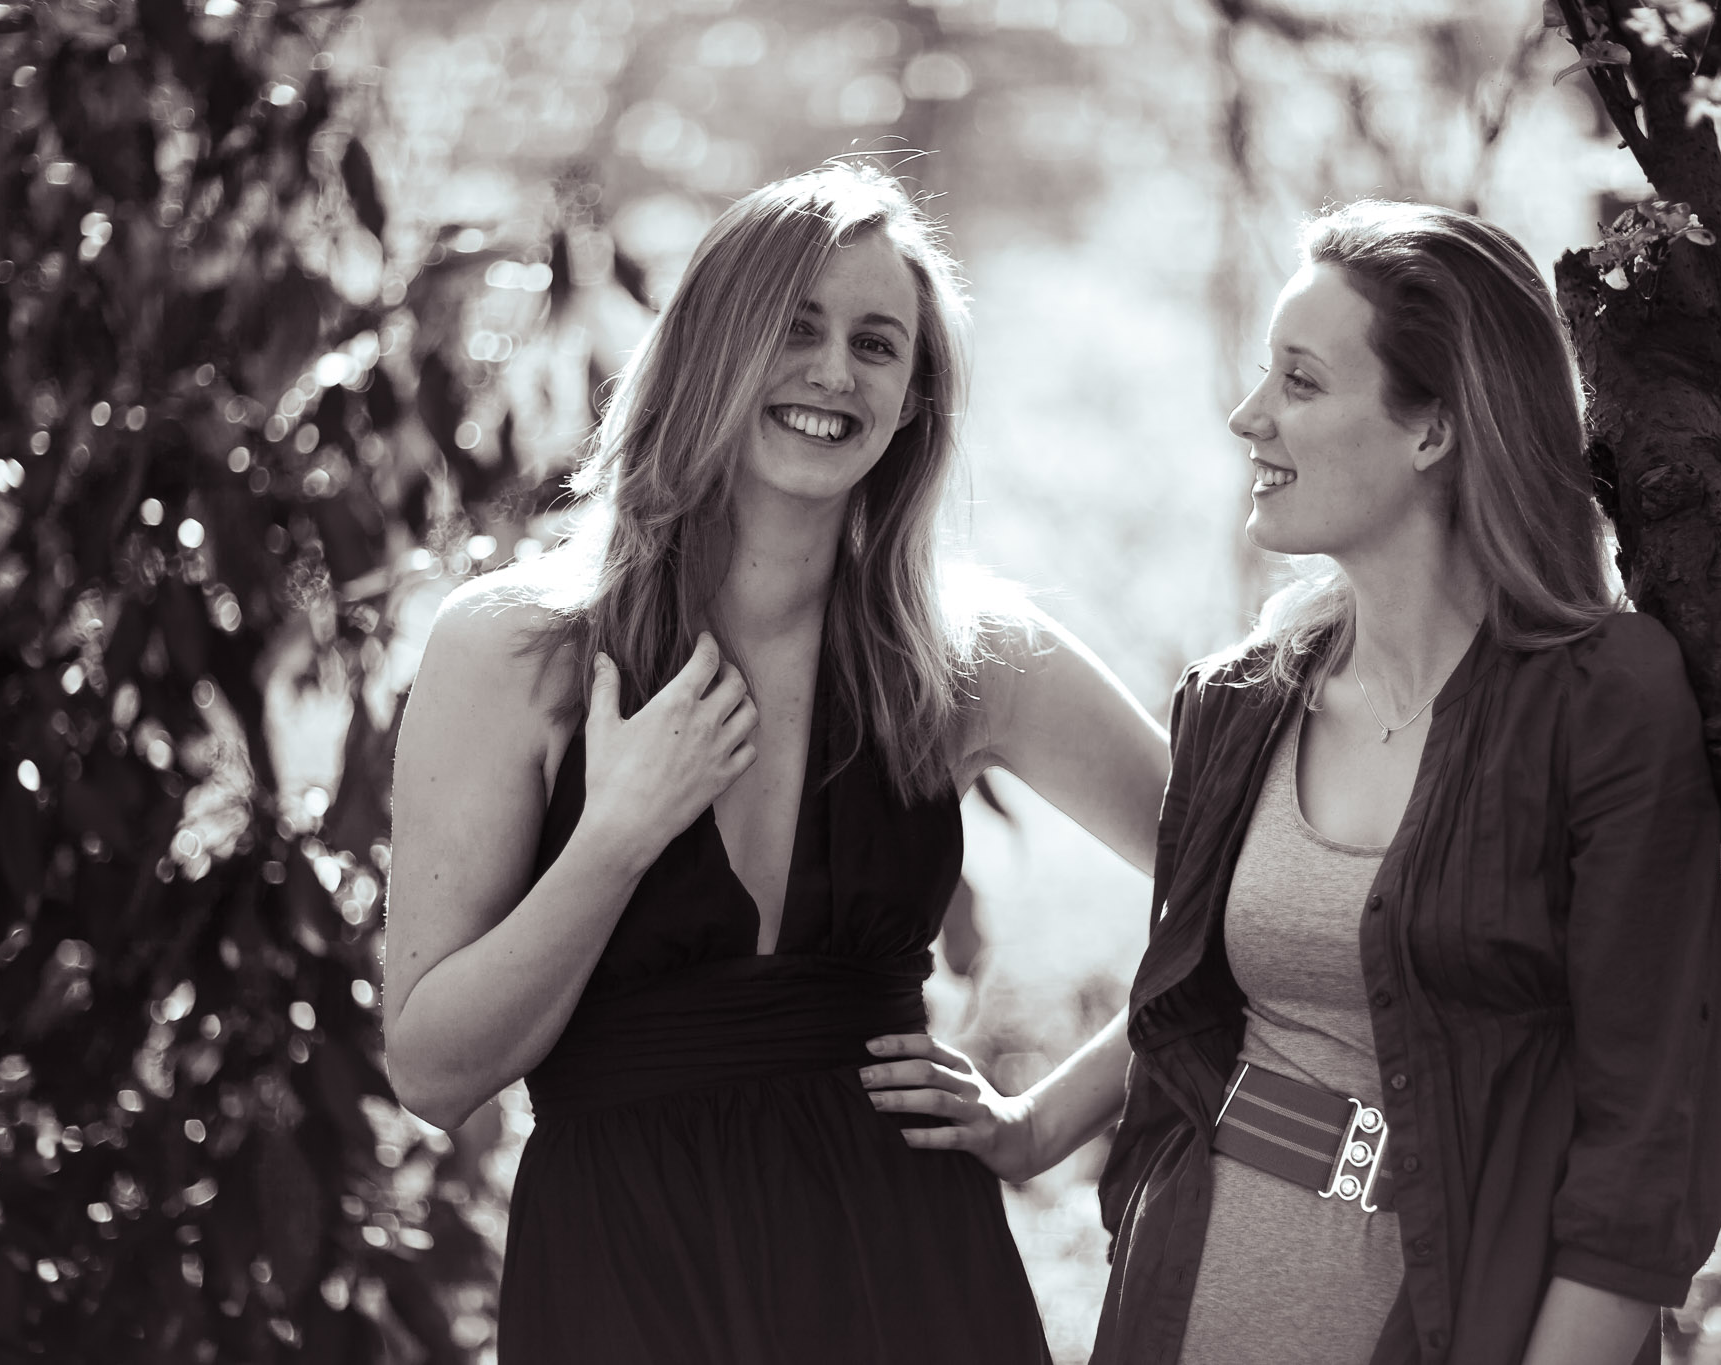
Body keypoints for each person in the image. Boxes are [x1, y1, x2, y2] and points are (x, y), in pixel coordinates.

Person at [866, 200, 1721, 1365]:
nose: (1246, 415)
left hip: (1455, 1313)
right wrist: (1031, 1129)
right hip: (1181, 1300)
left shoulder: (1603, 703)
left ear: (1432, 427)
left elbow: (1646, 1139)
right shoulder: (1236, 700)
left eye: (1300, 381)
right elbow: (1188, 992)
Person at [380, 164, 1170, 1365]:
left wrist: (1037, 1126)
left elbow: (1245, 891)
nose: (833, 372)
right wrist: (617, 835)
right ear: (709, 346)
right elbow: (434, 1071)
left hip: (907, 1271)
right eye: (793, 327)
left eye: (876, 344)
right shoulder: (516, 647)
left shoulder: (966, 655)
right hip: (625, 1275)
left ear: (913, 402)